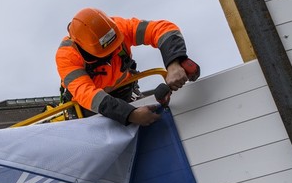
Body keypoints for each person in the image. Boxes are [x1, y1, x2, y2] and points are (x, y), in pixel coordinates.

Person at [55, 7, 191, 127]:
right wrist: (130, 114)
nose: (110, 56)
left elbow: (163, 29)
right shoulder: (67, 56)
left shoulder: (119, 28)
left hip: (125, 91)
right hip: (88, 109)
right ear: (82, 47)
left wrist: (174, 63)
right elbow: (88, 95)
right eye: (103, 54)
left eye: (113, 49)